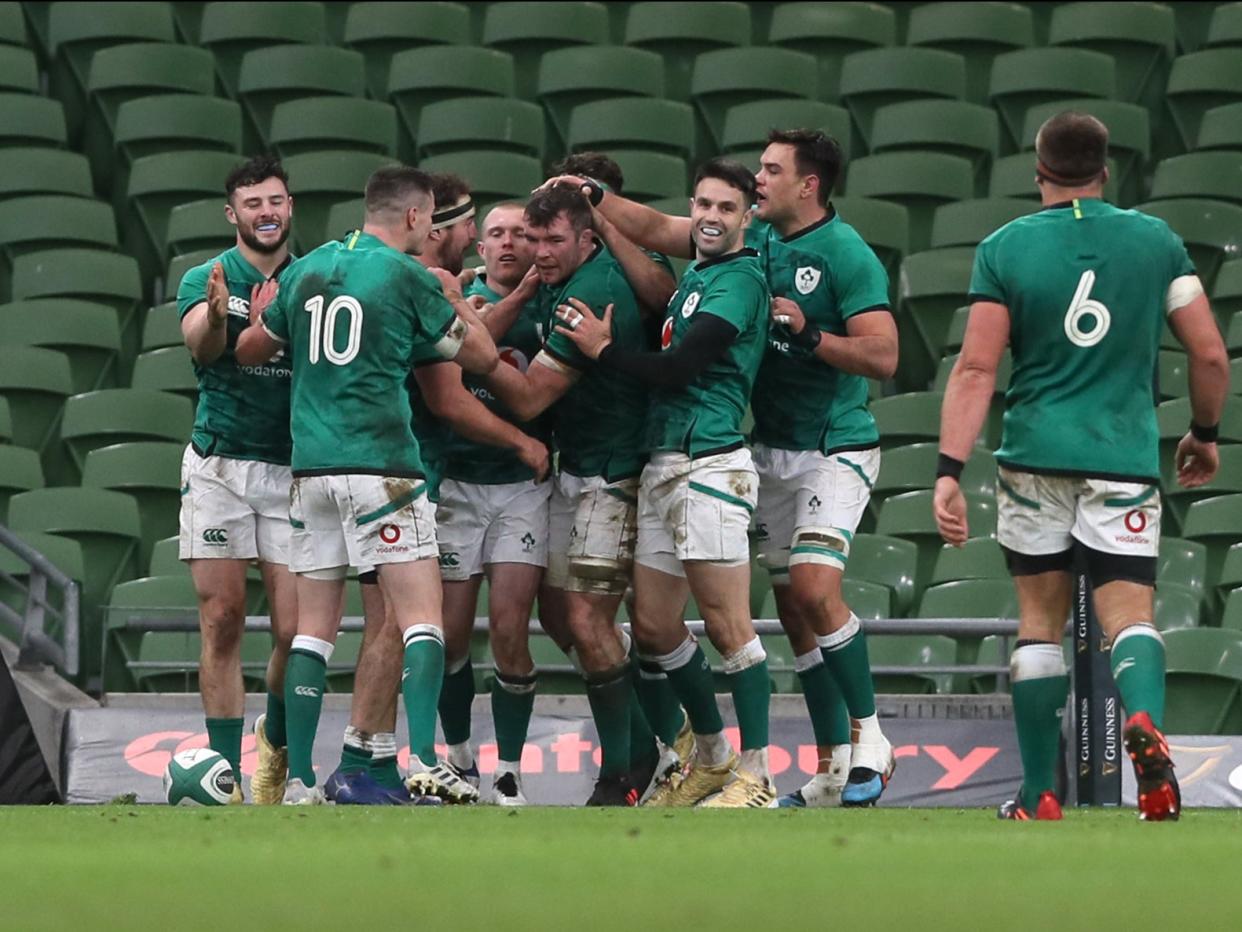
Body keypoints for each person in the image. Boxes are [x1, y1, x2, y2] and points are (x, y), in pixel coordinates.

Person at [548, 127, 901, 807]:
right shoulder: (752, 239)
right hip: (762, 443)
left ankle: (869, 738)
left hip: (830, 443)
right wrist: (594, 197)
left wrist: (810, 333)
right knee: (787, 612)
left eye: (770, 171)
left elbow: (884, 357)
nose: (758, 180)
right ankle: (819, 768)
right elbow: (655, 225)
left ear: (809, 185)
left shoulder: (843, 254)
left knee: (811, 587)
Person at [933, 111, 1229, 822]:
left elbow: (976, 368)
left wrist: (948, 467)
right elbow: (1212, 354)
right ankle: (1147, 723)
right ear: (1106, 171)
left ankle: (1039, 793)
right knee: (1129, 615)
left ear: (1039, 171)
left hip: (1034, 459)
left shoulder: (1004, 248)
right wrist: (1204, 432)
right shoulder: (1155, 242)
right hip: (1121, 459)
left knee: (1040, 625)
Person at [234, 165, 502, 805]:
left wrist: (264, 316)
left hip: (311, 473)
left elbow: (247, 350)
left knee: (311, 633)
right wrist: (456, 296)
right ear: (414, 217)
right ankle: (427, 761)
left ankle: (298, 782)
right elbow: (484, 359)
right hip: (383, 468)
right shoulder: (409, 276)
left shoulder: (308, 268)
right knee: (422, 620)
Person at [554, 158, 775, 808]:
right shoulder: (700, 274)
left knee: (729, 626)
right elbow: (647, 224)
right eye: (702, 205)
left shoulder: (739, 279)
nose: (709, 216)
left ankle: (756, 774)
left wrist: (602, 351)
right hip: (661, 462)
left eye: (726, 208)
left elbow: (680, 366)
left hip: (709, 463)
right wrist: (595, 201)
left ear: (748, 217)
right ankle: (709, 755)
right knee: (652, 627)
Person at [322, 176, 548, 806]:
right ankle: (394, 761)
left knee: (381, 625)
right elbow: (458, 379)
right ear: (432, 225)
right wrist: (522, 441)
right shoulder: (415, 283)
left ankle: (366, 761)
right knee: (400, 625)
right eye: (473, 225)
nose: (479, 238)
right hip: (396, 472)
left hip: (355, 466)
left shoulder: (357, 270)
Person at [484, 185, 661, 805]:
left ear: (588, 238)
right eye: (533, 239)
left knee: (587, 618)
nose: (540, 251)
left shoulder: (594, 290)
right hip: (575, 468)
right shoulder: (555, 282)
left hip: (614, 473)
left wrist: (468, 355)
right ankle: (647, 742)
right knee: (559, 616)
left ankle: (627, 770)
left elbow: (531, 397)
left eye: (555, 240)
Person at [177, 154, 298, 804]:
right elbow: (200, 343)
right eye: (253, 204)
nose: (266, 212)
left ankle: (273, 747)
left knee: (291, 632)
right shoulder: (205, 276)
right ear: (233, 214)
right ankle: (224, 775)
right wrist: (222, 316)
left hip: (290, 469)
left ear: (290, 206)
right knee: (222, 618)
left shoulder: (312, 281)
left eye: (275, 200)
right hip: (219, 465)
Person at [434, 201, 553, 806]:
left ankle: (509, 770)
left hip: (522, 491)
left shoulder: (554, 305)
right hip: (457, 483)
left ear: (539, 244)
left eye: (523, 235)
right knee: (452, 638)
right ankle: (456, 756)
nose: (510, 244)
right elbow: (466, 352)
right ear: (479, 247)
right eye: (497, 234)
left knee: (510, 629)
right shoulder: (459, 301)